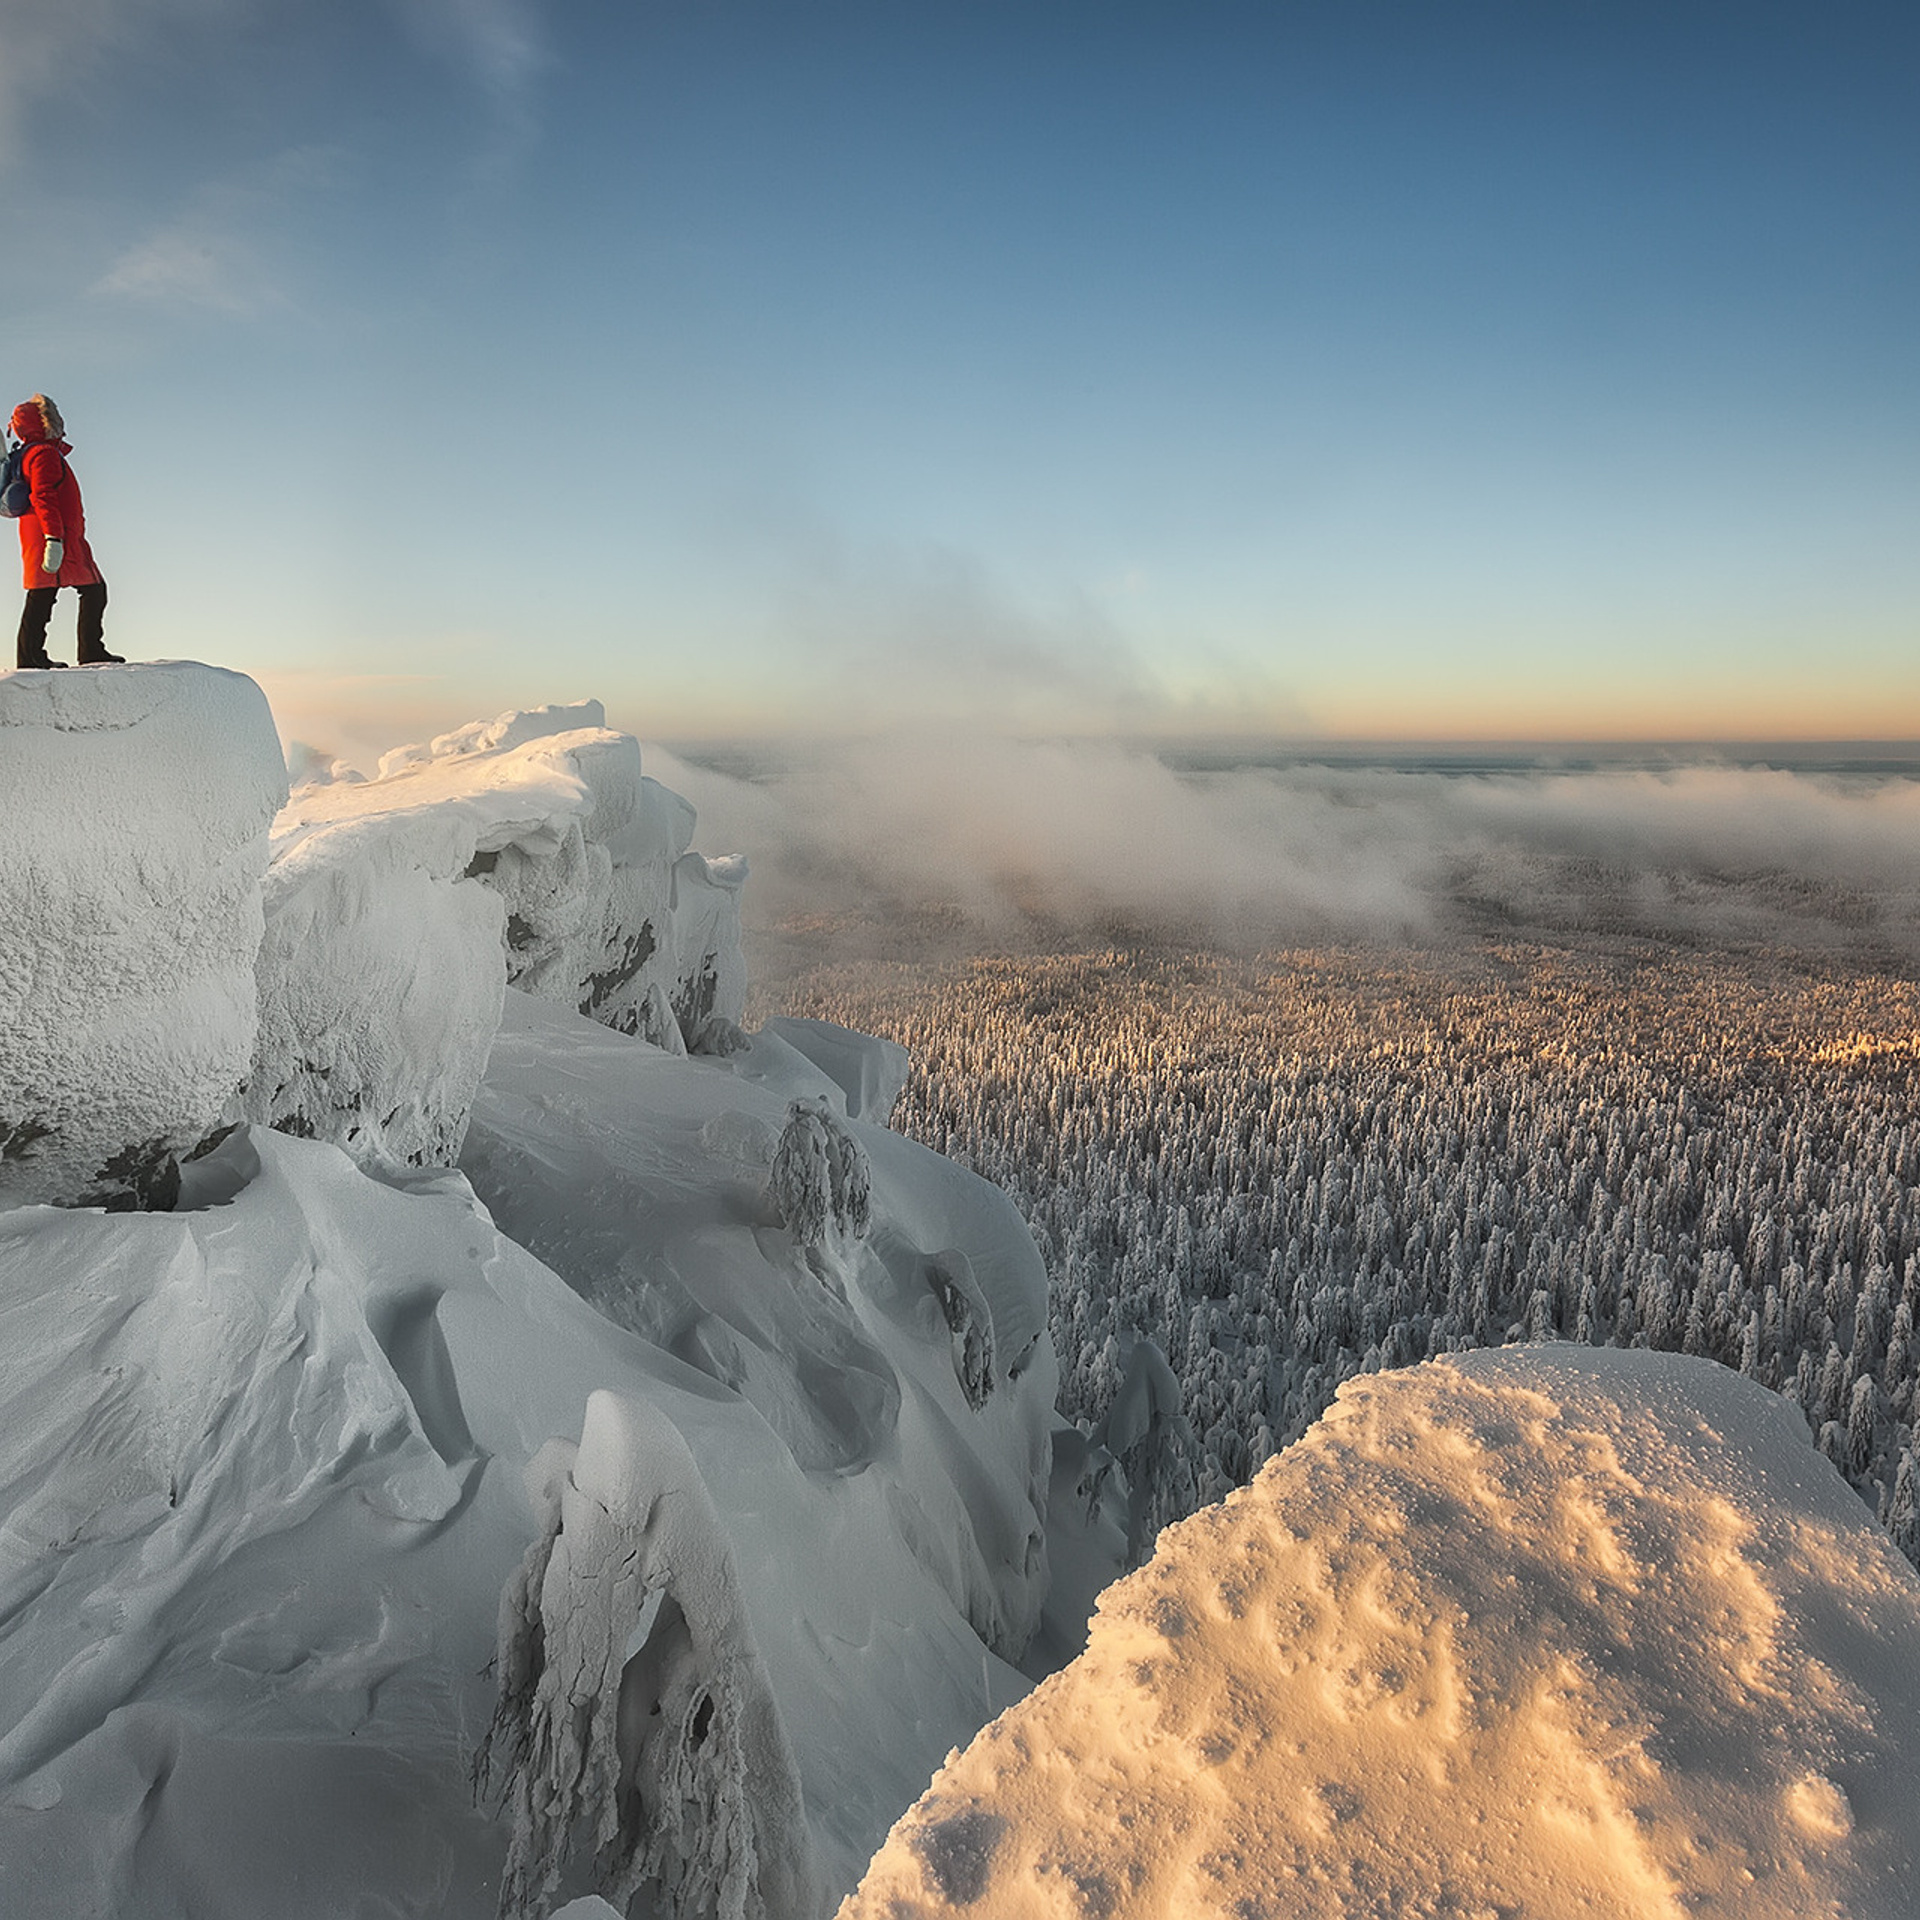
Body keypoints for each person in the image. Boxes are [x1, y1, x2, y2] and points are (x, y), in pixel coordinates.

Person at [12, 394, 122, 669]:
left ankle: (33, 656)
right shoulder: (44, 453)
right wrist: (53, 539)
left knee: (44, 594)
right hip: (55, 536)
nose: (62, 422)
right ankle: (87, 652)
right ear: (44, 422)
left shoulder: (34, 452)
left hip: (53, 535)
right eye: (55, 417)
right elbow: (43, 496)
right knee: (91, 591)